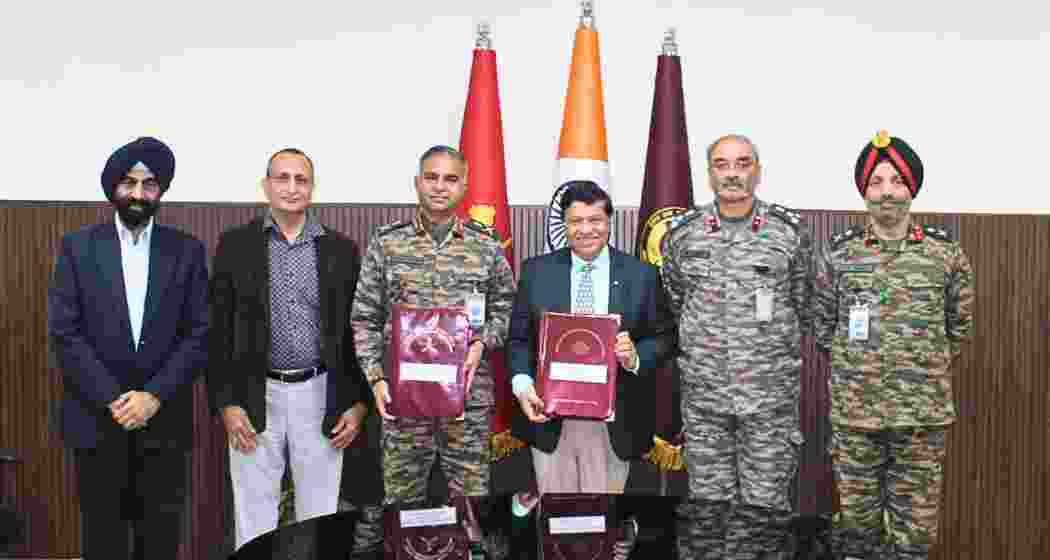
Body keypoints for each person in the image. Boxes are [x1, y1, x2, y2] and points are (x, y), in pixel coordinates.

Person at [813, 131, 974, 560]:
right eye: (876, 182)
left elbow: (959, 328)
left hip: (920, 420)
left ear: (912, 189)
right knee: (857, 531)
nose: (886, 193)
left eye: (896, 182)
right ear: (864, 192)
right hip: (856, 419)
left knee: (914, 536)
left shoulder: (946, 255)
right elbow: (823, 327)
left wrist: (916, 368)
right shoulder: (840, 255)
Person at [48, 137, 209, 559]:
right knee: (103, 540)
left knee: (159, 540)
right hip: (98, 420)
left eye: (149, 184)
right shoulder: (78, 247)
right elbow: (66, 334)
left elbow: (199, 334)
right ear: (113, 189)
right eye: (129, 183)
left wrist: (153, 396)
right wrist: (115, 400)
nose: (139, 194)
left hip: (164, 421)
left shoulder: (186, 251)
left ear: (161, 192)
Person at [350, 145, 515, 555]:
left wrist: (482, 341)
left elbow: (507, 310)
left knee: (472, 507)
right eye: (432, 177)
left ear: (465, 186)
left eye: (451, 178)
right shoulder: (388, 244)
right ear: (417, 183)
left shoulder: (486, 245)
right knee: (403, 506)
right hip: (403, 402)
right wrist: (376, 379)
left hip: (468, 402)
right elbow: (364, 318)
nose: (440, 187)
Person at [208, 148, 372, 550]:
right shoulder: (235, 245)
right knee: (254, 508)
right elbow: (218, 331)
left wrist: (357, 403)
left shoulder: (341, 250)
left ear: (312, 189)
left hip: (320, 393)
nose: (291, 187)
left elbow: (358, 334)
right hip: (253, 393)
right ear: (266, 185)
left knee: (319, 511)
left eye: (301, 179)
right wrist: (227, 403)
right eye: (282, 178)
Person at [661, 134, 812, 559]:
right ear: (710, 173)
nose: (732, 173)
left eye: (742, 163)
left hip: (769, 407)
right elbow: (676, 301)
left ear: (757, 171)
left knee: (765, 515)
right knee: (709, 516)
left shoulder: (789, 234)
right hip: (706, 404)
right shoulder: (684, 235)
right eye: (722, 164)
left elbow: (803, 303)